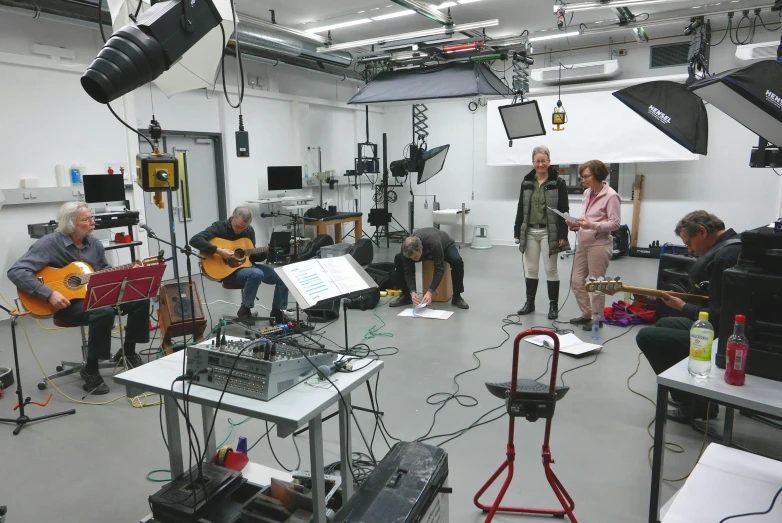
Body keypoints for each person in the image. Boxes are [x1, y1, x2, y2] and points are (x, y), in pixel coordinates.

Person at [8, 202, 150, 394]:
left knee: (140, 298)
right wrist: (49, 293)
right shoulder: (49, 244)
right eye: (87, 219)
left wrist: (128, 271)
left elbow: (103, 272)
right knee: (103, 312)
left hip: (93, 295)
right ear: (71, 224)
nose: (93, 222)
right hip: (63, 304)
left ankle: (128, 352)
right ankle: (90, 369)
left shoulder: (95, 244)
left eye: (92, 217)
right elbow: (16, 271)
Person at [636, 211, 741, 423]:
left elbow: (718, 318)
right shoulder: (735, 243)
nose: (690, 250)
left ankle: (699, 405)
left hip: (725, 337)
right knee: (665, 323)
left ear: (702, 231)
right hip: (728, 327)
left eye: (690, 242)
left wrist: (683, 306)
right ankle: (688, 395)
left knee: (646, 336)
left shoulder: (722, 259)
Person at [190, 206, 290, 324]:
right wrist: (218, 251)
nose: (239, 230)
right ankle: (245, 310)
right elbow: (195, 240)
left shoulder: (249, 231)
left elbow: (251, 257)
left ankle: (278, 312)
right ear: (232, 218)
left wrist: (265, 252)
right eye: (237, 226)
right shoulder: (219, 227)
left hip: (247, 267)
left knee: (283, 275)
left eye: (243, 228)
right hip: (228, 271)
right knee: (256, 273)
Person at [514, 145, 570, 320]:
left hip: (549, 232)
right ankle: (530, 303)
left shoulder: (558, 182)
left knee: (551, 269)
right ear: (533, 163)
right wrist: (517, 229)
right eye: (537, 161)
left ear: (549, 161)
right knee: (531, 269)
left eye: (543, 161)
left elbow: (563, 209)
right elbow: (520, 207)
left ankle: (553, 306)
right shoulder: (526, 183)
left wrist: (563, 233)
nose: (540, 164)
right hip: (530, 231)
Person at [566, 160, 621, 331]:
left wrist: (592, 225)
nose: (583, 180)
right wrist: (577, 224)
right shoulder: (587, 193)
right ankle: (587, 315)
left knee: (597, 285)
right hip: (583, 242)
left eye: (586, 176)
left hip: (600, 245)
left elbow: (615, 224)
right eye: (582, 176)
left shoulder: (611, 196)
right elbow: (587, 218)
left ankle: (597, 319)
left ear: (597, 175)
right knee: (576, 281)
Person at [388, 228, 468, 309]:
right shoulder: (406, 248)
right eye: (411, 258)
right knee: (399, 259)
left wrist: (430, 292)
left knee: (457, 261)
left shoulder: (434, 243)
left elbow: (439, 269)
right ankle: (405, 296)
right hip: (426, 251)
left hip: (444, 247)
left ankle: (457, 297)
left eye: (415, 257)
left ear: (421, 248)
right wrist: (412, 291)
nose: (412, 259)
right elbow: (409, 271)